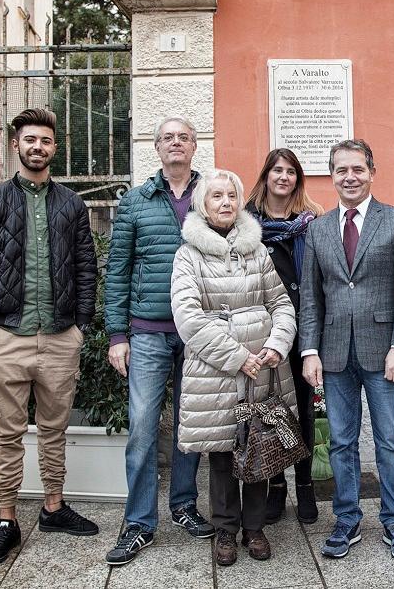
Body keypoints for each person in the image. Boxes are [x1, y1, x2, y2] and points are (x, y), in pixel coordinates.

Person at [0, 108, 99, 568]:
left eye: (45, 140)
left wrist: (81, 323)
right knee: (7, 434)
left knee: (55, 430)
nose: (37, 147)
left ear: (54, 147)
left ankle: (54, 508)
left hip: (60, 336)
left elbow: (86, 266)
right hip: (6, 337)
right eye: (29, 140)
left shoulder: (71, 204)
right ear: (15, 145)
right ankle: (6, 520)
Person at [300, 139, 394, 562]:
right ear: (331, 175)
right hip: (333, 353)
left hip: (384, 351)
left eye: (357, 169)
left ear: (372, 171)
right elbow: (312, 299)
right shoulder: (317, 228)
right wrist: (309, 350)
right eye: (341, 170)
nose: (349, 177)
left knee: (390, 441)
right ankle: (347, 518)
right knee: (340, 441)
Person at [170, 169, 298, 567]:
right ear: (202, 204)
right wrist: (237, 356)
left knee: (259, 445)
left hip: (262, 367)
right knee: (224, 453)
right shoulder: (188, 254)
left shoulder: (256, 250)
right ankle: (226, 529)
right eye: (216, 196)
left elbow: (281, 304)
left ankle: (255, 527)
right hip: (218, 370)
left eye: (231, 196)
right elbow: (188, 318)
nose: (225, 203)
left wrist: (277, 345)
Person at [103, 117, 215, 566]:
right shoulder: (135, 202)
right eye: (167, 137)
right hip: (148, 333)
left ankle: (184, 506)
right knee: (144, 430)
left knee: (191, 428)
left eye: (183, 137)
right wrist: (117, 335)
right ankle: (139, 523)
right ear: (156, 148)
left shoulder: (212, 195)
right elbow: (118, 270)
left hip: (199, 334)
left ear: (194, 146)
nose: (176, 143)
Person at [245, 148, 325, 525]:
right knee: (271, 407)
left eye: (291, 171)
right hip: (265, 331)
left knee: (306, 410)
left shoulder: (312, 222)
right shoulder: (246, 223)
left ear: (298, 179)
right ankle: (276, 484)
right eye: (277, 170)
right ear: (266, 175)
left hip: (306, 326)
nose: (283, 177)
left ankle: (305, 485)